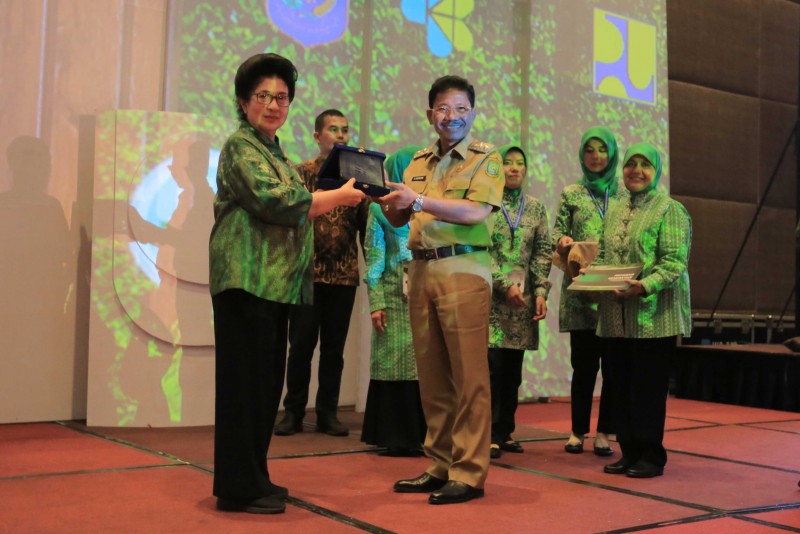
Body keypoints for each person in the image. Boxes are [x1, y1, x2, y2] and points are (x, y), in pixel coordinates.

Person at [209, 53, 365, 515]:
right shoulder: (240, 146)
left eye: (282, 97)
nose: (274, 105)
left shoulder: (273, 151)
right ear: (243, 102)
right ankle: (237, 488)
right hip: (246, 281)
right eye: (263, 96)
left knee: (262, 389)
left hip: (274, 285)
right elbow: (278, 201)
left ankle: (254, 478)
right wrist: (338, 195)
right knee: (244, 390)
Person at [378, 75, 505, 505]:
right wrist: (384, 199)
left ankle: (469, 472)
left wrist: (417, 200)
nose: (452, 117)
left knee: (469, 376)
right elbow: (400, 219)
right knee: (432, 376)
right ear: (430, 113)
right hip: (421, 268)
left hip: (463, 268)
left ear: (473, 112)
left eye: (461, 109)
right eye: (444, 109)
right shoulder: (417, 161)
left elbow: (475, 212)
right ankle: (440, 464)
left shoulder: (486, 158)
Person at [594, 142, 691, 479]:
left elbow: (674, 262)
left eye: (644, 165)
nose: (636, 171)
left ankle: (651, 455)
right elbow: (604, 255)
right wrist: (591, 277)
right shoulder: (615, 210)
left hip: (653, 317)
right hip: (616, 316)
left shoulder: (669, 209)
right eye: (630, 164)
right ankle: (629, 451)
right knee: (619, 385)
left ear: (656, 170)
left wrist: (644, 285)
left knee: (646, 390)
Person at [274, 109, 370, 437]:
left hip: (344, 277)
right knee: (300, 347)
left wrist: (373, 274)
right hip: (306, 276)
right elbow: (289, 221)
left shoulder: (356, 179)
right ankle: (293, 412)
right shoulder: (301, 174)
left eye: (345, 130)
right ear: (317, 136)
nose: (341, 135)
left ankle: (328, 413)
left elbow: (366, 229)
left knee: (333, 350)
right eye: (333, 129)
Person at [553, 126, 619, 456]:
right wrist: (563, 241)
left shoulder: (624, 195)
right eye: (589, 150)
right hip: (581, 292)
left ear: (612, 154)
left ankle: (605, 431)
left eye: (602, 149)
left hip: (614, 294)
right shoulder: (572, 194)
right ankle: (578, 430)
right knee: (584, 366)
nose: (596, 156)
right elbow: (557, 233)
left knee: (613, 368)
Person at [360, 145, 427, 456]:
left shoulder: (429, 208)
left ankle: (425, 435)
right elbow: (374, 260)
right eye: (409, 168)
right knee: (393, 365)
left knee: (424, 368)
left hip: (425, 297)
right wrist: (376, 302)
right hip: (393, 300)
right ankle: (396, 436)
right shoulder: (380, 210)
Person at [487, 144, 552, 460]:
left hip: (521, 303)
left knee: (513, 373)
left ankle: (505, 431)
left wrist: (540, 292)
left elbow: (542, 252)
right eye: (507, 162)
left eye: (519, 163)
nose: (514, 168)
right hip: (491, 301)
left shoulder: (536, 208)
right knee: (491, 369)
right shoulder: (487, 203)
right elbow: (480, 249)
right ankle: (488, 433)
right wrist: (503, 284)